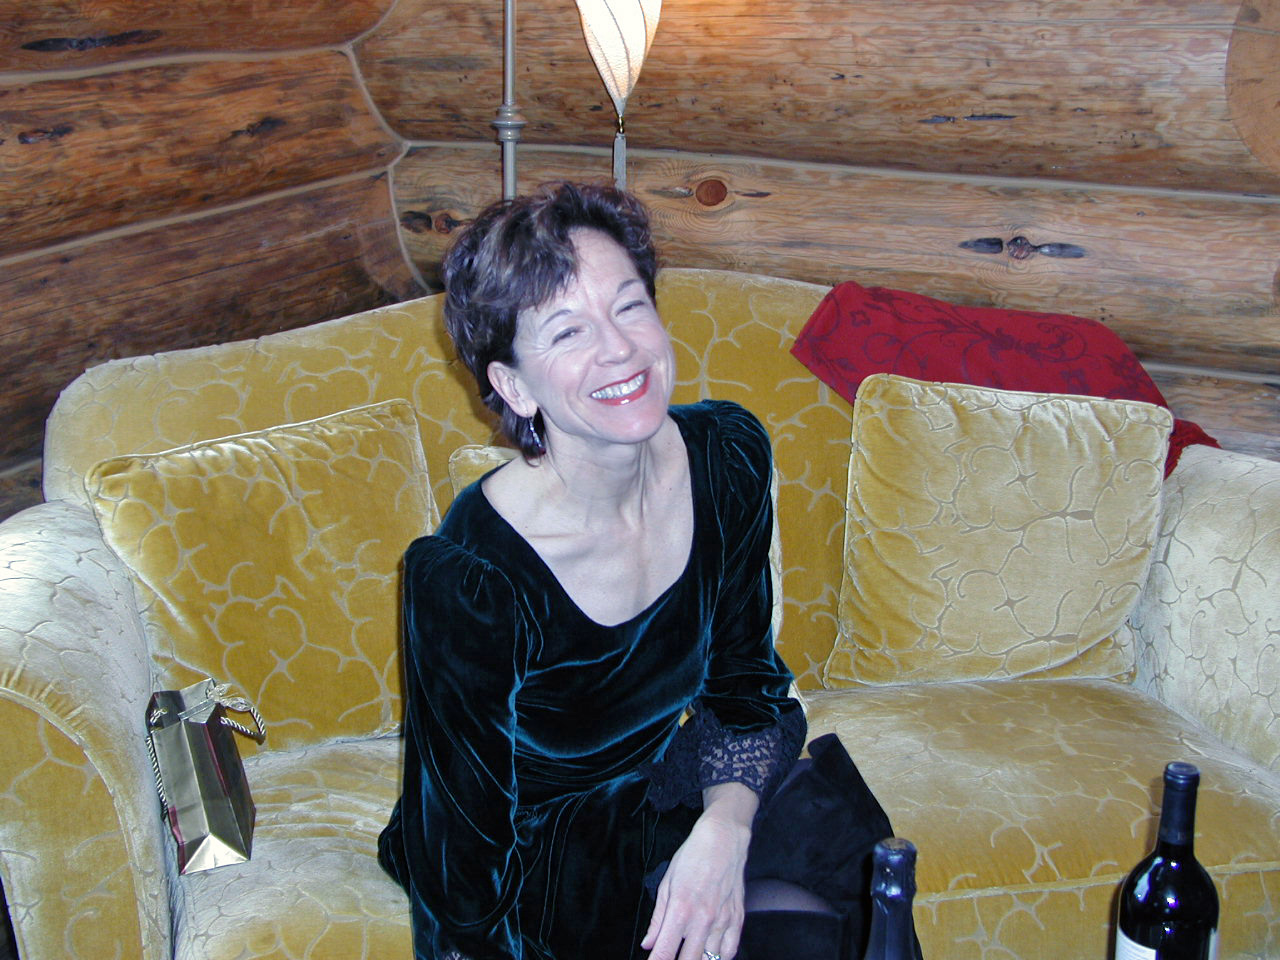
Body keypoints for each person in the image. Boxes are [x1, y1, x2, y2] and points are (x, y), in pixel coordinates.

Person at [379, 182, 905, 960]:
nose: (620, 349)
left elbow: (746, 694)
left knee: (848, 900)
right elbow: (461, 873)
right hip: (540, 864)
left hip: (668, 798)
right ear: (514, 386)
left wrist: (724, 829)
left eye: (629, 306)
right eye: (568, 331)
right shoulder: (471, 580)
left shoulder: (724, 458)